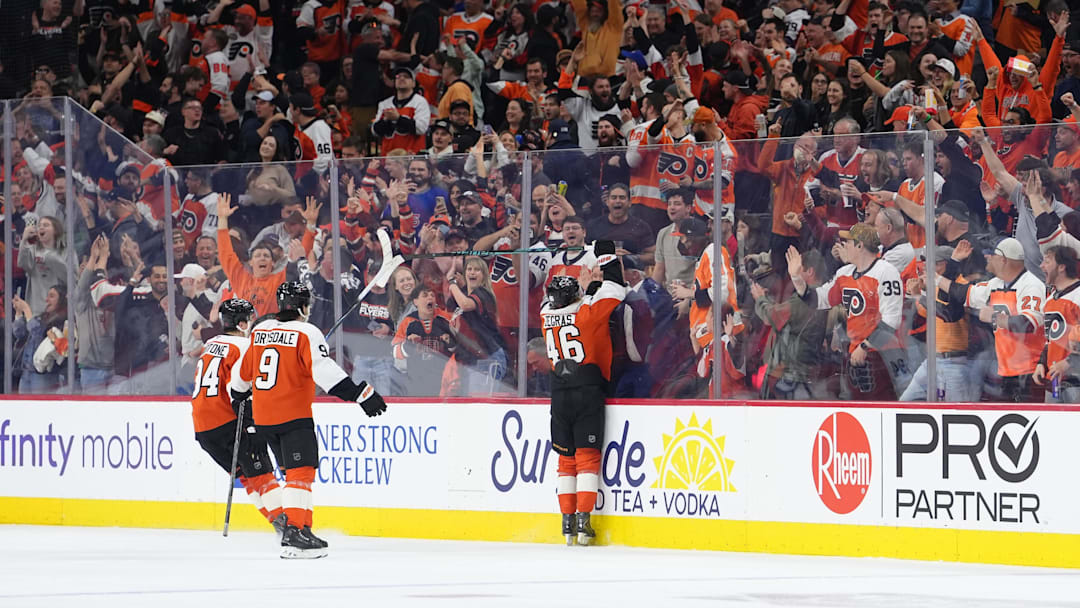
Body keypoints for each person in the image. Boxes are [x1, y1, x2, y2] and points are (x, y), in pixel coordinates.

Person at [229, 282, 388, 558]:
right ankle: (293, 533)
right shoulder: (308, 332)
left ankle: (303, 528)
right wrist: (360, 394)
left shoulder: (260, 331)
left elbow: (241, 380)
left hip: (264, 418)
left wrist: (239, 396)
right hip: (292, 415)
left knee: (294, 474)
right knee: (301, 473)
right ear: (304, 307)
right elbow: (326, 374)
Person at [541, 240, 625, 546]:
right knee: (587, 459)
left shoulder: (545, 317)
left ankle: (566, 524)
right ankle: (584, 522)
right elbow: (616, 288)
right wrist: (605, 253)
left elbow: (565, 306)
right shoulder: (587, 313)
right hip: (587, 390)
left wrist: (585, 290)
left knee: (566, 461)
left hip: (559, 394)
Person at [191, 299, 286, 535]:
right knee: (263, 475)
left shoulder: (211, 343)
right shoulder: (244, 347)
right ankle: (290, 528)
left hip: (203, 428)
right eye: (250, 319)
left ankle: (279, 524)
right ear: (243, 323)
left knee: (247, 475)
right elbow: (240, 389)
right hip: (228, 422)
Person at [938, 237, 1046, 402]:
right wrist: (937, 279)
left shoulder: (1031, 285)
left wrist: (994, 317)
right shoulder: (995, 284)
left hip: (1030, 372)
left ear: (1003, 260)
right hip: (1006, 371)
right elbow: (961, 293)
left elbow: (1027, 324)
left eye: (992, 254)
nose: (987, 257)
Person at [816, 222, 903, 401]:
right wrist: (798, 281)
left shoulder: (886, 271)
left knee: (881, 406)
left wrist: (865, 347)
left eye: (847, 242)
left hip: (881, 354)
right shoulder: (844, 273)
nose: (843, 246)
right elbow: (822, 299)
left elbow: (892, 320)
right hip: (855, 354)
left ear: (859, 245)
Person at [1033, 246, 1080, 403]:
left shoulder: (1078, 295)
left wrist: (1067, 363)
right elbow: (1050, 340)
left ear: (1061, 267)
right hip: (1054, 378)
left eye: (1047, 261)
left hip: (1076, 380)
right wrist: (1041, 363)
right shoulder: (1050, 299)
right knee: (1053, 426)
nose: (1041, 266)